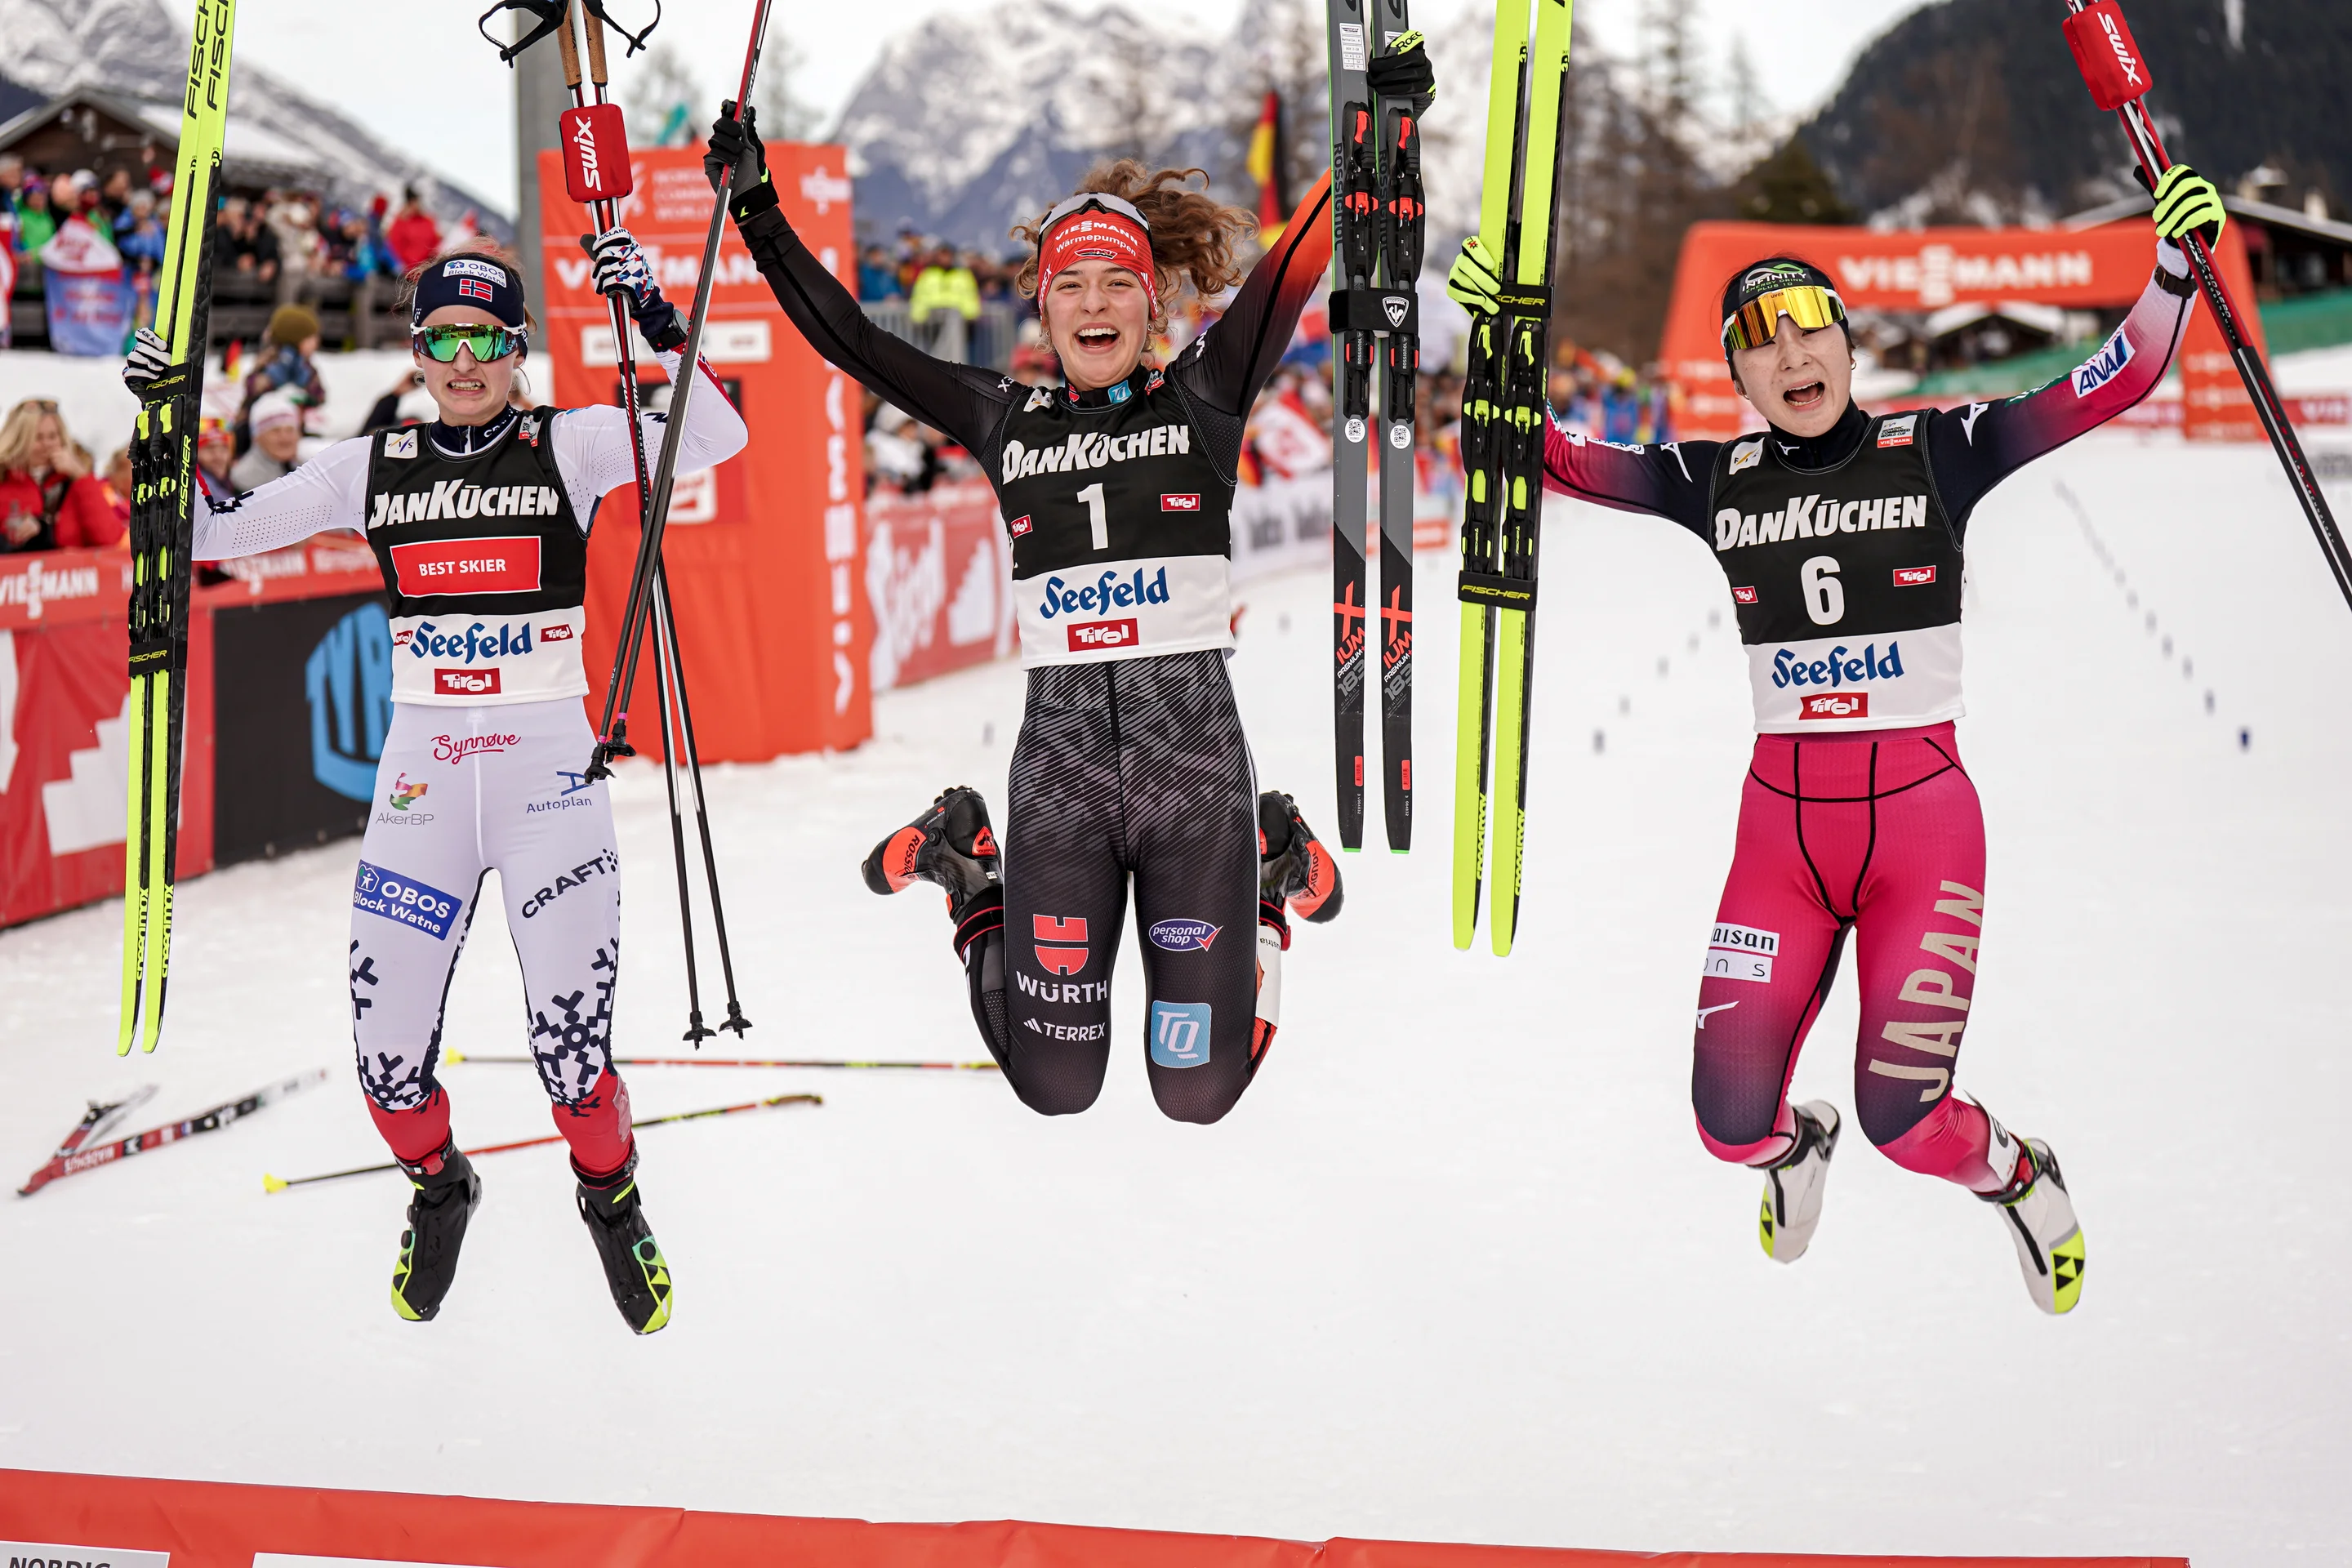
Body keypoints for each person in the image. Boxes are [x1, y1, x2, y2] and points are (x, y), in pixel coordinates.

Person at [1445, 164, 2230, 1314]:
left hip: (1923, 832)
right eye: (1757, 342)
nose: (1790, 354)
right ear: (1737, 378)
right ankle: (1794, 1150)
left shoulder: (1940, 448)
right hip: (1784, 845)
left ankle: (2018, 1173)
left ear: (1850, 347)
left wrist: (2170, 271)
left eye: (1810, 326)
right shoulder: (1713, 478)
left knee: (1906, 1122)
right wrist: (1496, 341)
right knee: (1728, 1126)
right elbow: (1543, 456)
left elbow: (2114, 379)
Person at [707, 66, 1441, 1121]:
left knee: (1197, 1089)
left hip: (1195, 781)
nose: (1094, 303)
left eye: (1116, 283)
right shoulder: (1002, 420)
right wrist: (757, 209)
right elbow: (853, 342)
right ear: (1043, 306)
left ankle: (1271, 869)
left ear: (1153, 301)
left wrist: (1378, 133)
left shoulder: (1204, 396)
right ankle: (969, 865)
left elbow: (1298, 264)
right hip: (1060, 785)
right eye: (1071, 285)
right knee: (1056, 1085)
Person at [122, 236, 747, 1332]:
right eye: (445, 340)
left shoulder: (572, 446)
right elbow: (210, 531)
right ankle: (440, 1184)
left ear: (517, 351)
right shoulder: (371, 466)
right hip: (423, 789)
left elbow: (716, 433)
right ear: (416, 352)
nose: (465, 362)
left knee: (573, 1061)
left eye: (487, 341)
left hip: (549, 786)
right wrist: (168, 426)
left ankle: (611, 1198)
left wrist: (652, 311)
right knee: (386, 1064)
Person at [0, 398, 125, 551]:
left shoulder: (76, 483)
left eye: (53, 436)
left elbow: (109, 538)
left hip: (72, 566)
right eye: (38, 438)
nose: (47, 444)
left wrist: (81, 476)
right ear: (19, 440)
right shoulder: (4, 482)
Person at [239, 303, 327, 450]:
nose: (316, 343)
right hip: (257, 430)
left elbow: (320, 396)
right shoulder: (269, 360)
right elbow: (252, 388)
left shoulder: (306, 367)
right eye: (311, 338)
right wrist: (274, 379)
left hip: (292, 429)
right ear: (296, 338)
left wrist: (306, 394)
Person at [906, 240, 980, 363]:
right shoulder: (928, 275)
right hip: (932, 322)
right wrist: (918, 317)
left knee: (956, 356)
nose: (945, 258)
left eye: (947, 255)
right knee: (935, 356)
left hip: (957, 323)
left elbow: (970, 296)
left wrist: (970, 315)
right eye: (942, 255)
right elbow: (919, 297)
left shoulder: (963, 275)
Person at [229, 390, 306, 490]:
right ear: (256, 437)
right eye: (275, 431)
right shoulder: (245, 477)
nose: (284, 437)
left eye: (290, 430)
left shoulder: (306, 466)